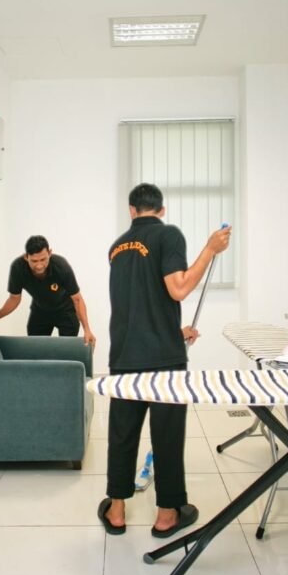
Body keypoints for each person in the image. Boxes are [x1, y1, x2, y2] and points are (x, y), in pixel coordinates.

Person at [97, 183, 231, 537]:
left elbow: (139, 302)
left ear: (131, 210)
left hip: (124, 356)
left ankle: (116, 511)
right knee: (167, 437)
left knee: (122, 436)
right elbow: (178, 288)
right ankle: (167, 515)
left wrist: (175, 332)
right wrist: (210, 249)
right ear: (162, 210)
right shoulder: (169, 234)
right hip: (163, 361)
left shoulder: (116, 247)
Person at [0, 235, 96, 347]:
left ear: (49, 253)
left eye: (43, 259)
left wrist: (87, 330)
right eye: (34, 261)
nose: (39, 266)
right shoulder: (18, 268)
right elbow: (14, 298)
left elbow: (77, 299)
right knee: (35, 348)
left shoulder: (61, 267)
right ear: (26, 257)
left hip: (65, 311)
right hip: (40, 311)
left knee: (67, 349)